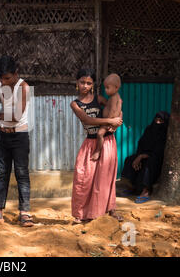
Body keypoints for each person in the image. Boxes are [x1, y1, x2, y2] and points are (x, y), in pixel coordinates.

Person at [0, 55, 33, 227]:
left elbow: (16, 116)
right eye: (2, 78)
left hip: (19, 136)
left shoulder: (23, 87)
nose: (4, 81)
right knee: (2, 173)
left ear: (16, 73)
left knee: (22, 174)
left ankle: (24, 213)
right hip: (2, 134)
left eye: (8, 78)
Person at [70, 68, 124, 224]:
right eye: (82, 82)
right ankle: (80, 215)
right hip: (90, 143)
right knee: (83, 178)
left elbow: (116, 109)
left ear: (93, 85)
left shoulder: (99, 99)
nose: (85, 86)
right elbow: (86, 120)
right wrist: (109, 122)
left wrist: (118, 121)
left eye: (89, 83)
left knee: (105, 178)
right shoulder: (75, 104)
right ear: (77, 83)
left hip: (107, 141)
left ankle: (110, 210)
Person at [121, 111, 170, 203]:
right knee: (130, 159)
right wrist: (139, 156)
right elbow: (141, 143)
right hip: (143, 154)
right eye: (156, 120)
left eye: (161, 121)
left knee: (150, 163)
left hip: (157, 157)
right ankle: (133, 187)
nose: (158, 123)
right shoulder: (149, 129)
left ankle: (146, 190)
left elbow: (159, 151)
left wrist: (142, 156)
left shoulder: (165, 133)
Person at [91, 73, 123, 161]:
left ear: (116, 88)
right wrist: (119, 117)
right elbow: (120, 111)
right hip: (111, 121)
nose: (105, 90)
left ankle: (98, 151)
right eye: (105, 88)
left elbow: (113, 110)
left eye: (107, 88)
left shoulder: (113, 98)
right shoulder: (117, 98)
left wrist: (109, 121)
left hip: (109, 121)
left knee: (100, 134)